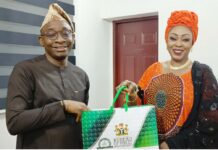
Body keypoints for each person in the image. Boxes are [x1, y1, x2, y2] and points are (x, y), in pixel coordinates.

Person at [117, 10, 218, 149]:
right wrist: (132, 95)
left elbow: (211, 124)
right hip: (149, 145)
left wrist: (171, 144)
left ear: (192, 42)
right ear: (166, 39)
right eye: (173, 38)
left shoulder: (202, 74)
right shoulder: (153, 70)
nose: (178, 44)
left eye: (185, 39)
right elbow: (137, 111)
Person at [6, 3, 89, 149]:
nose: (60, 39)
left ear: (73, 37)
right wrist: (63, 106)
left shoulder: (81, 75)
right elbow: (14, 122)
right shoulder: (25, 70)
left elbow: (81, 119)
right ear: (41, 40)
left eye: (66, 33)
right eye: (51, 34)